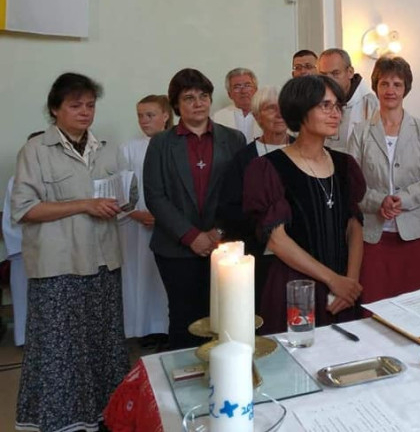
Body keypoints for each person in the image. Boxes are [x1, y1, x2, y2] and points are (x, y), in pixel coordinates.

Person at [11, 73, 134, 432]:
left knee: (104, 345)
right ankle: (61, 421)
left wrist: (123, 198)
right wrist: (84, 204)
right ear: (55, 109)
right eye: (75, 105)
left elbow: (124, 197)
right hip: (58, 267)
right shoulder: (36, 150)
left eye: (90, 105)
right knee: (60, 350)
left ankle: (106, 416)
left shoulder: (106, 148)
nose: (85, 112)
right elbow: (24, 209)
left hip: (103, 263)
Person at [243, 75, 365, 333]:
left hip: (342, 287)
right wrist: (332, 280)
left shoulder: (345, 165)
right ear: (300, 110)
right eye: (325, 105)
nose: (335, 114)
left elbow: (354, 226)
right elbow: (277, 241)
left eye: (338, 106)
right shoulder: (269, 168)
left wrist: (349, 283)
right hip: (296, 286)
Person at [145, 68, 245, 349]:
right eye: (189, 98)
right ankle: (185, 372)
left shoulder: (234, 139)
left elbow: (240, 193)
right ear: (176, 105)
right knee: (184, 319)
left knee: (225, 316)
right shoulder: (161, 143)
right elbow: (155, 196)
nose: (198, 103)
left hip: (223, 245)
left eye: (203, 96)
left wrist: (218, 231)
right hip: (175, 248)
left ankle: (223, 369)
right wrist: (191, 236)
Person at [347, 56, 420, 303]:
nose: (390, 90)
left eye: (397, 84)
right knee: (373, 305)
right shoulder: (360, 132)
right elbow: (350, 184)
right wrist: (379, 201)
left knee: (416, 307)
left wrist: (403, 199)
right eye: (384, 83)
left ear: (405, 89)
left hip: (414, 237)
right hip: (373, 237)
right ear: (376, 87)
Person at [219, 85, 286, 307]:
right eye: (270, 108)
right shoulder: (244, 158)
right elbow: (231, 208)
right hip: (258, 254)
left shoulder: (304, 150)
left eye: (283, 108)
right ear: (257, 116)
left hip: (302, 253)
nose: (279, 114)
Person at [118, 94, 172, 347]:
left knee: (165, 279)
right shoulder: (128, 148)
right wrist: (134, 213)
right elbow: (121, 187)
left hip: (169, 225)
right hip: (137, 223)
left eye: (150, 115)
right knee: (142, 276)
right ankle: (146, 328)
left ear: (166, 116)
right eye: (140, 115)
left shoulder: (175, 143)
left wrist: (164, 217)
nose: (144, 120)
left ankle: (169, 328)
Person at [1, 131, 43, 347]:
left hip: (56, 248)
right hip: (25, 249)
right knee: (24, 296)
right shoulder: (16, 180)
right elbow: (12, 217)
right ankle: (25, 338)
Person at [317, 48, 379, 152]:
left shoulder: (370, 104)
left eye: (335, 73)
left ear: (350, 72)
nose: (329, 80)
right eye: (323, 75)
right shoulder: (315, 102)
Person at [212, 67, 261, 141]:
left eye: (247, 86)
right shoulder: (217, 118)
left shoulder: (268, 114)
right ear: (229, 94)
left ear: (256, 90)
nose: (243, 91)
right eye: (237, 87)